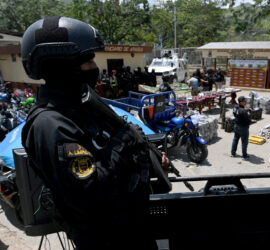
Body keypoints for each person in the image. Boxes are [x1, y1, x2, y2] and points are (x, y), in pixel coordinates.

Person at [20, 16, 167, 250]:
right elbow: (91, 193)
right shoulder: (50, 125)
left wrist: (146, 155)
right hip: (107, 239)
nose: (94, 67)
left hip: (132, 228)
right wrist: (123, 142)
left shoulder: (83, 106)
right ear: (60, 66)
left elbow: (109, 151)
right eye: (87, 60)